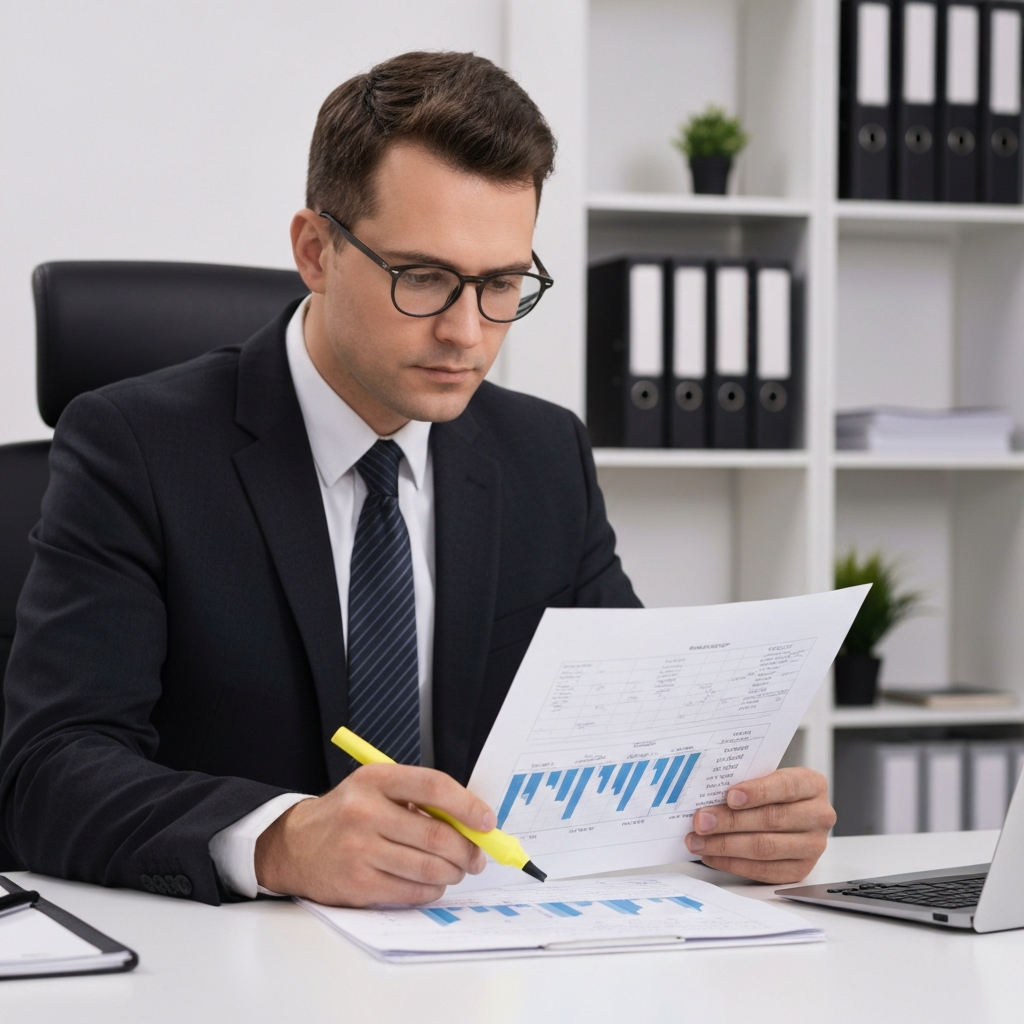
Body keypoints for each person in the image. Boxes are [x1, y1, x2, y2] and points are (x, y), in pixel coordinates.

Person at [0, 52, 835, 908]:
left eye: (503, 283)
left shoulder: (545, 455)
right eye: (425, 278)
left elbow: (624, 738)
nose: (468, 334)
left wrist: (732, 816)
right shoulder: (135, 446)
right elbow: (49, 770)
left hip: (482, 955)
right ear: (315, 250)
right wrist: (281, 840)